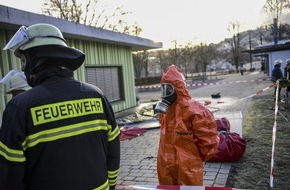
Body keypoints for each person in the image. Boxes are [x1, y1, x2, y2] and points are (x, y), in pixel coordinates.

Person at [0, 23, 120, 190]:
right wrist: (111, 185)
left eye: (23, 59)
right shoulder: (97, 95)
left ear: (35, 58)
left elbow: (9, 174)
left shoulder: (20, 106)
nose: (23, 66)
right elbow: (113, 152)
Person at [154, 65, 219, 186]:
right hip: (165, 164)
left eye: (168, 89)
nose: (165, 93)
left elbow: (208, 142)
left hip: (188, 167)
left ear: (178, 87)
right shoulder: (165, 110)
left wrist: (193, 159)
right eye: (163, 88)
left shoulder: (196, 111)